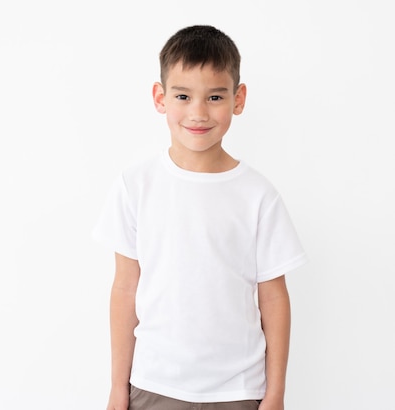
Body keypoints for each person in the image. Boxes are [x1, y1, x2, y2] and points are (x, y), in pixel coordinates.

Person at [92, 25, 308, 410]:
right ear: (160, 98)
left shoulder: (258, 195)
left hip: (238, 389)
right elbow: (125, 288)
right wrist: (116, 386)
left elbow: (274, 298)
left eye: (214, 96)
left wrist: (276, 393)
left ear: (237, 99)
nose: (198, 112)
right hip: (154, 383)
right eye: (182, 95)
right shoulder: (135, 185)